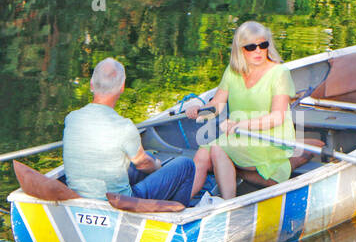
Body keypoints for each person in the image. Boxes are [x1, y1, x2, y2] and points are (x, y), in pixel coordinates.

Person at [63, 57, 195, 206]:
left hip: (79, 199)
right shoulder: (124, 126)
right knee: (186, 165)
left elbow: (143, 161)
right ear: (122, 87)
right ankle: (175, 217)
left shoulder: (71, 118)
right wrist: (158, 166)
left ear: (91, 85)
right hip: (120, 203)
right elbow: (143, 163)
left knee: (148, 156)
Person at [186, 21, 295, 200]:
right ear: (240, 49)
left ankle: (229, 204)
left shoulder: (279, 73)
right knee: (202, 155)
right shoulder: (233, 71)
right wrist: (199, 110)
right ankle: (181, 204)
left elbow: (277, 117)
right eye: (251, 47)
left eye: (263, 45)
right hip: (238, 135)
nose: (258, 51)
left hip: (270, 138)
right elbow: (217, 105)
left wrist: (241, 124)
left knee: (218, 149)